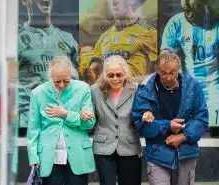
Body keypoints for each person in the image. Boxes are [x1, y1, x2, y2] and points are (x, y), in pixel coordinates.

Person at [131, 49, 208, 185]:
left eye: (172, 73)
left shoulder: (192, 85)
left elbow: (201, 118)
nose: (168, 77)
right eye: (163, 73)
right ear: (157, 69)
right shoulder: (145, 89)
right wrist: (167, 125)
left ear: (179, 69)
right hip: (158, 154)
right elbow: (140, 126)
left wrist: (183, 136)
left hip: (186, 153)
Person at [161, 0, 219, 126]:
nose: (189, 15)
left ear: (206, 6)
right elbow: (166, 59)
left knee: (215, 128)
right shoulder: (175, 24)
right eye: (186, 10)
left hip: (215, 89)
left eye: (194, 10)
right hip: (186, 88)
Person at [27, 56, 96, 185]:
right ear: (50, 76)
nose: (62, 85)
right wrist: (33, 157)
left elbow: (89, 124)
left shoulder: (83, 89)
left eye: (66, 81)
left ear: (72, 75)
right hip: (48, 157)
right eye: (57, 81)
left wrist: (66, 114)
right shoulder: (38, 93)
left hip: (77, 155)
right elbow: (33, 129)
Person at [18, 0, 79, 128]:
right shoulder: (16, 40)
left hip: (63, 124)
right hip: (29, 124)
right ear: (25, 1)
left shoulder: (67, 39)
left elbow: (78, 87)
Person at [91, 55, 142, 185]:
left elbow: (140, 115)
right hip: (103, 147)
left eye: (119, 75)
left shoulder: (135, 89)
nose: (115, 79)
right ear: (104, 75)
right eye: (111, 75)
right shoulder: (95, 90)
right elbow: (90, 122)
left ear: (125, 74)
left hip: (129, 147)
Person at [84, 0, 158, 84]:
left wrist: (131, 81)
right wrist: (91, 75)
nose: (113, 2)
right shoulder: (104, 36)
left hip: (135, 93)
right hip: (108, 94)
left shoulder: (149, 33)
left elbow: (159, 75)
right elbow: (93, 71)